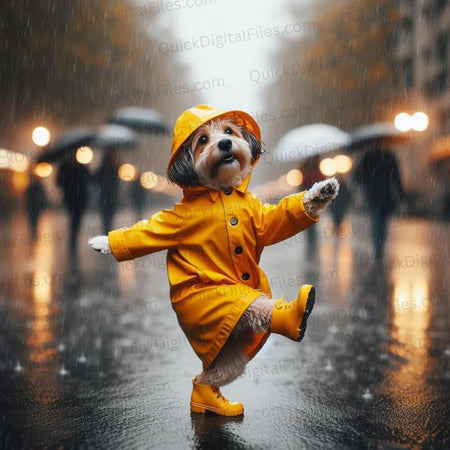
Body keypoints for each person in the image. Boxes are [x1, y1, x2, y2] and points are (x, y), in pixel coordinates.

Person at [353, 144, 404, 262]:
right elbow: (396, 177)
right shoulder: (390, 156)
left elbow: (356, 176)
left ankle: (378, 247)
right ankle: (380, 246)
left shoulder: (367, 156)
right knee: (382, 221)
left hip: (372, 194)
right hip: (386, 194)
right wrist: (400, 194)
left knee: (376, 220)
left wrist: (365, 183)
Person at [57, 152, 90, 258]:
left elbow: (90, 178)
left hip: (77, 200)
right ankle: (73, 242)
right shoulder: (67, 167)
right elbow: (59, 181)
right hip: (73, 200)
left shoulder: (76, 167)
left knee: (75, 220)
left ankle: (73, 242)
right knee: (74, 221)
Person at [95, 150, 120, 234]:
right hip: (107, 197)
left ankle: (107, 233)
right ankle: (107, 233)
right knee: (107, 218)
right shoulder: (108, 168)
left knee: (108, 218)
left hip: (109, 197)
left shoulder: (113, 168)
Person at [25, 170, 47, 241]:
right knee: (34, 219)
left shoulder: (32, 186)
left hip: (33, 205)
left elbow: (28, 196)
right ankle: (33, 232)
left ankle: (33, 232)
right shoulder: (37, 186)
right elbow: (42, 196)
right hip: (34, 206)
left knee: (33, 219)